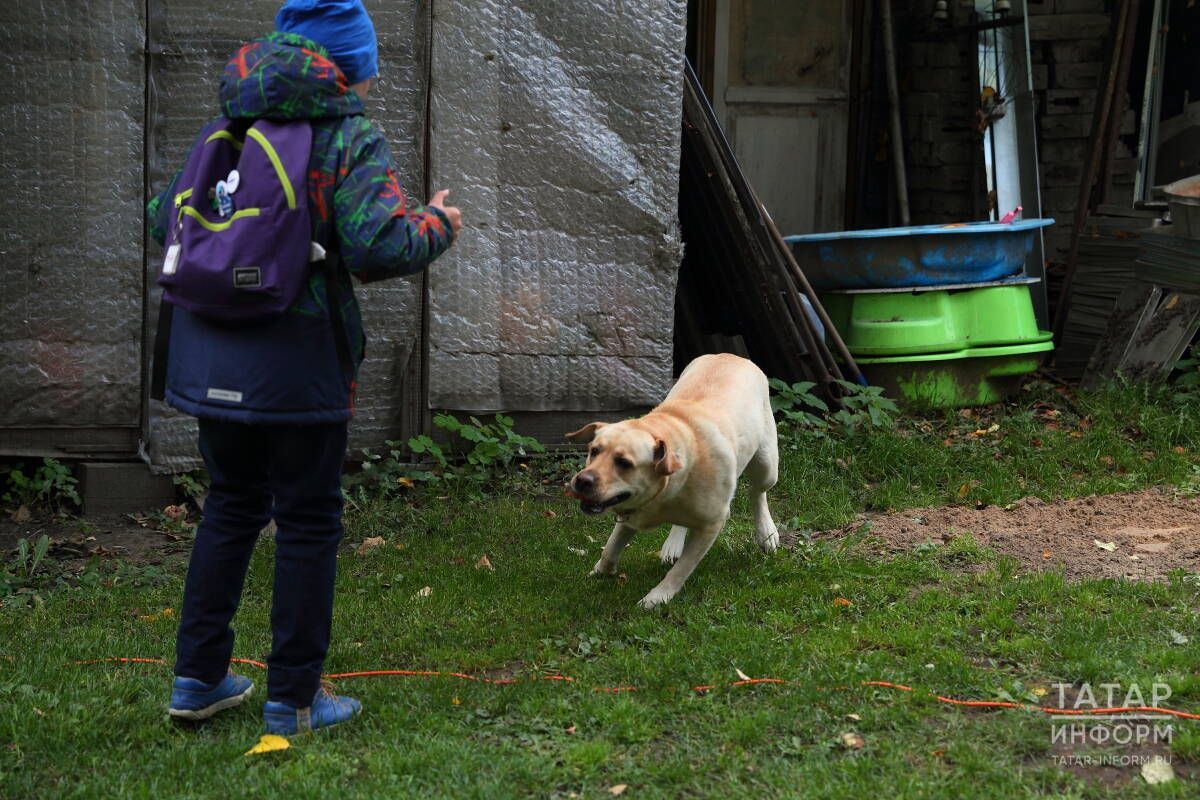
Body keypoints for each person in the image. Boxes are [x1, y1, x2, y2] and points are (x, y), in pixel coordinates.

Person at [147, 0, 462, 735]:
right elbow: (380, 244)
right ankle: (294, 698)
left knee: (229, 505)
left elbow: (166, 216)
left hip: (214, 352)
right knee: (309, 522)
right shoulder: (348, 136)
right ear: (345, 65)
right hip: (302, 361)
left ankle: (197, 679)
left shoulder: (227, 127)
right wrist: (438, 223)